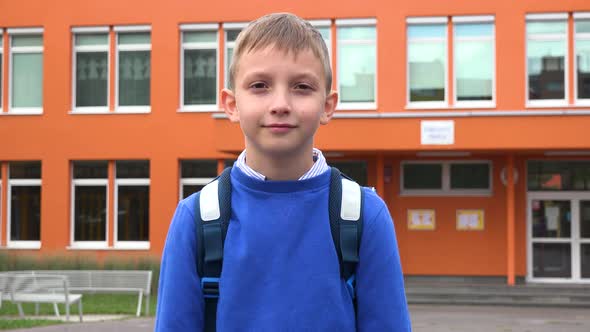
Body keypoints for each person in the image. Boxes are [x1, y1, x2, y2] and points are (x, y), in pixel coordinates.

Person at [155, 12, 411, 331]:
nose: (280, 104)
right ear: (231, 104)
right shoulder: (196, 218)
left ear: (328, 106)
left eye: (301, 87)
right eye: (260, 85)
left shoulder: (364, 216)